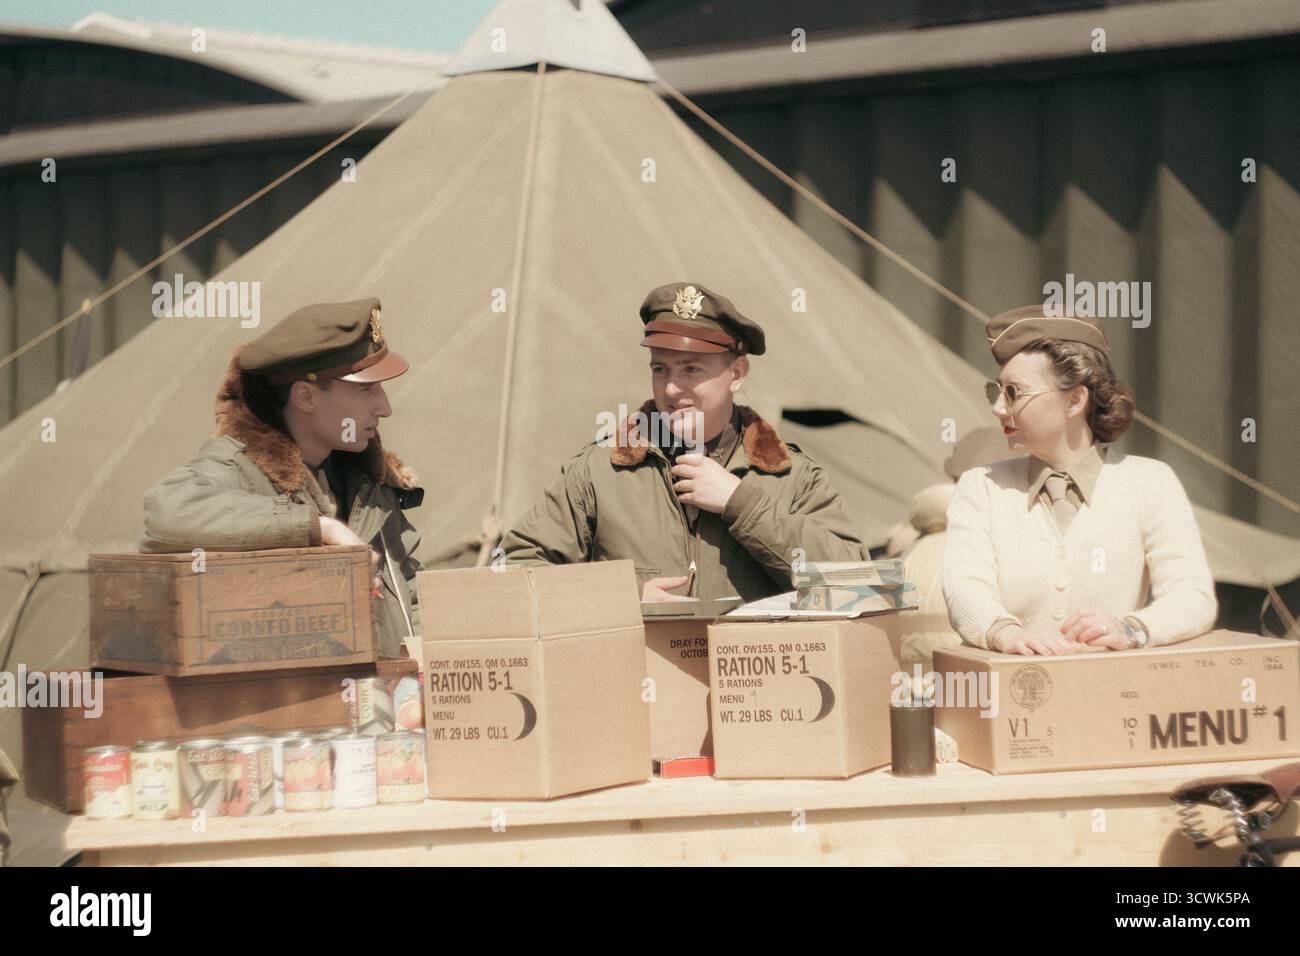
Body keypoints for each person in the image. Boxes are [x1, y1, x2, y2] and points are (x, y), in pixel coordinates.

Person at [500, 282, 868, 602]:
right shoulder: (601, 471)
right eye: (660, 369)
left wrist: (741, 504)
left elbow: (856, 583)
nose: (672, 388)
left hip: (752, 682)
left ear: (736, 374)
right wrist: (623, 597)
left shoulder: (791, 477)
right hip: (636, 680)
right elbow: (515, 571)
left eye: (691, 369)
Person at [140, 298, 425, 657]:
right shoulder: (239, 469)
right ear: (305, 396)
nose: (385, 408)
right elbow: (164, 512)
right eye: (366, 389)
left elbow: (415, 601)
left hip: (385, 704)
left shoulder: (373, 490)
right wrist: (315, 527)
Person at [942, 304, 1217, 655]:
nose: (998, 408)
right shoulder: (980, 486)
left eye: (1014, 392)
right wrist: (1005, 633)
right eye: (995, 391)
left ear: (1074, 400)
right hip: (1016, 699)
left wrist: (1132, 628)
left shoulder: (1151, 483)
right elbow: (965, 585)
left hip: (1119, 698)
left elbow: (1193, 595)